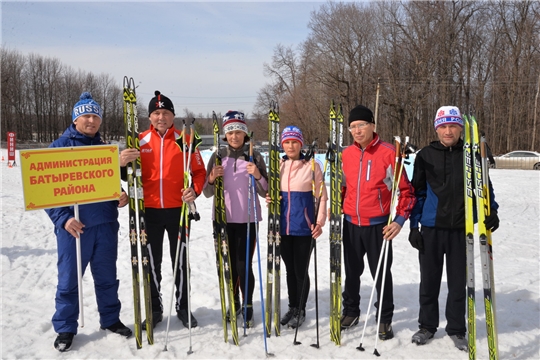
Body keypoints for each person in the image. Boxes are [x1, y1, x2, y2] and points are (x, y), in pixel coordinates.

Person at [45, 92, 132, 352]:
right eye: (86, 116)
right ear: (76, 118)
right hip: (75, 227)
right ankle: (65, 327)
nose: (91, 120)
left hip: (104, 223)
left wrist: (119, 197)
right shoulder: (59, 147)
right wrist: (63, 218)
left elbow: (105, 185)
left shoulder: (105, 148)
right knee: (69, 279)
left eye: (95, 116)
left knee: (107, 277)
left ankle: (110, 318)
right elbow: (46, 191)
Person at [408, 106, 499, 351]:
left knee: (459, 282)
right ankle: (427, 326)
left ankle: (457, 328)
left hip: (463, 229)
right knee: (429, 282)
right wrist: (414, 225)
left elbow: (484, 187)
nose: (448, 131)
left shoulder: (471, 156)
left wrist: (492, 211)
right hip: (431, 228)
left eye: (453, 126)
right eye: (443, 126)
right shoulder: (425, 155)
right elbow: (417, 192)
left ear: (461, 128)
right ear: (437, 128)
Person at [120, 91, 206, 330]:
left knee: (180, 261)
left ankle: (183, 306)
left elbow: (199, 173)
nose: (161, 117)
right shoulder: (137, 140)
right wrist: (121, 164)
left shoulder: (185, 141)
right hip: (148, 211)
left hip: (178, 211)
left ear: (173, 116)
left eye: (165, 113)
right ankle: (155, 308)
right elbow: (125, 177)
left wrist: (194, 190)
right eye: (156, 113)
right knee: (151, 262)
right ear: (150, 116)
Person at [340, 105, 416, 340]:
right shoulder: (347, 155)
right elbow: (342, 189)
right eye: (352, 126)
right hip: (351, 223)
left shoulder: (388, 153)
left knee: (381, 273)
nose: (357, 130)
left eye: (361, 125)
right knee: (351, 273)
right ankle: (351, 311)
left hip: (378, 226)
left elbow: (406, 192)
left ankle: (384, 318)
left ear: (372, 125)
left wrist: (400, 220)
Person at [202, 110, 268, 327]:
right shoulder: (218, 156)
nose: (234, 137)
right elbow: (207, 192)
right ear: (225, 135)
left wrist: (257, 174)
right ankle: (234, 302)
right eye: (230, 133)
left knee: (243, 265)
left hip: (248, 220)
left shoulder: (254, 156)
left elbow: (265, 190)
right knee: (228, 265)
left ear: (245, 133)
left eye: (238, 132)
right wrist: (212, 177)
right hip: (223, 219)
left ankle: (248, 304)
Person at [272, 126, 327, 329]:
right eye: (287, 142)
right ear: (282, 144)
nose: (290, 145)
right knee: (288, 270)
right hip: (283, 229)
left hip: (304, 228)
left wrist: (319, 222)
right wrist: (270, 199)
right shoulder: (278, 165)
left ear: (300, 144)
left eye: (294, 141)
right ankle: (293, 306)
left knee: (300, 271)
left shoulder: (312, 166)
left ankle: (301, 309)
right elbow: (271, 194)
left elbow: (322, 197)